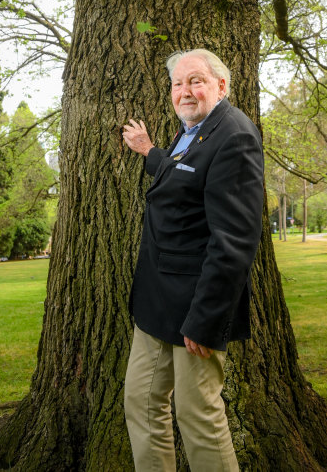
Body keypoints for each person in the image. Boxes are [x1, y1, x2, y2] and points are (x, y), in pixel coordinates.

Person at [122, 48, 264, 472]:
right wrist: (149, 151)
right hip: (158, 300)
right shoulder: (192, 130)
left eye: (196, 81)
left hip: (196, 306)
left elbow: (234, 241)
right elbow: (183, 177)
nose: (184, 91)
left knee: (196, 414)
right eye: (177, 83)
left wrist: (205, 319)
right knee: (141, 402)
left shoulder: (234, 135)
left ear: (221, 86)